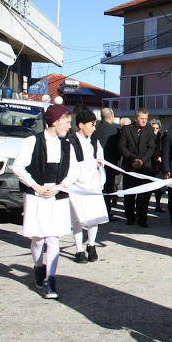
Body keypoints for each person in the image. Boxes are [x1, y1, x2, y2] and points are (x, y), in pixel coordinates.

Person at [11, 104, 78, 299]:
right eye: (66, 121)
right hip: (37, 195)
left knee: (53, 237)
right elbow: (18, 167)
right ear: (55, 121)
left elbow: (73, 170)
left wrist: (61, 185)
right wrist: (37, 187)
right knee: (38, 237)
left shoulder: (67, 145)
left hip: (57, 195)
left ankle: (50, 279)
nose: (68, 125)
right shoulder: (32, 141)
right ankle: (39, 267)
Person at [67, 110, 109, 263]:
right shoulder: (70, 142)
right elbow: (71, 166)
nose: (94, 128)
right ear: (81, 125)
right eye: (92, 125)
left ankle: (91, 245)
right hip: (77, 186)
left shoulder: (94, 141)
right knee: (78, 219)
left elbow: (101, 160)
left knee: (94, 217)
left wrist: (99, 174)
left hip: (93, 186)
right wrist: (92, 163)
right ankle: (79, 249)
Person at [118, 108, 155, 228]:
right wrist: (133, 159)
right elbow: (122, 147)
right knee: (130, 193)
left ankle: (142, 218)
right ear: (135, 118)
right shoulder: (126, 130)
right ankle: (130, 216)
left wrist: (142, 161)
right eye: (142, 119)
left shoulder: (149, 130)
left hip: (145, 167)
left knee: (144, 194)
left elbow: (151, 148)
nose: (144, 121)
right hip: (130, 165)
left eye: (146, 119)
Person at [93, 107, 120, 221]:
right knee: (108, 190)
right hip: (110, 164)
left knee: (97, 189)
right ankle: (106, 212)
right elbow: (118, 149)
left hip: (95, 164)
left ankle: (96, 212)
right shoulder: (115, 131)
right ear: (111, 117)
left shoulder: (94, 129)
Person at [149, 118, 165, 213]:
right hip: (149, 165)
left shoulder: (161, 138)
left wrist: (161, 158)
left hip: (159, 166)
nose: (155, 130)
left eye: (157, 128)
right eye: (153, 128)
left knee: (159, 188)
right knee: (148, 187)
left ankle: (158, 205)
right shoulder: (147, 137)